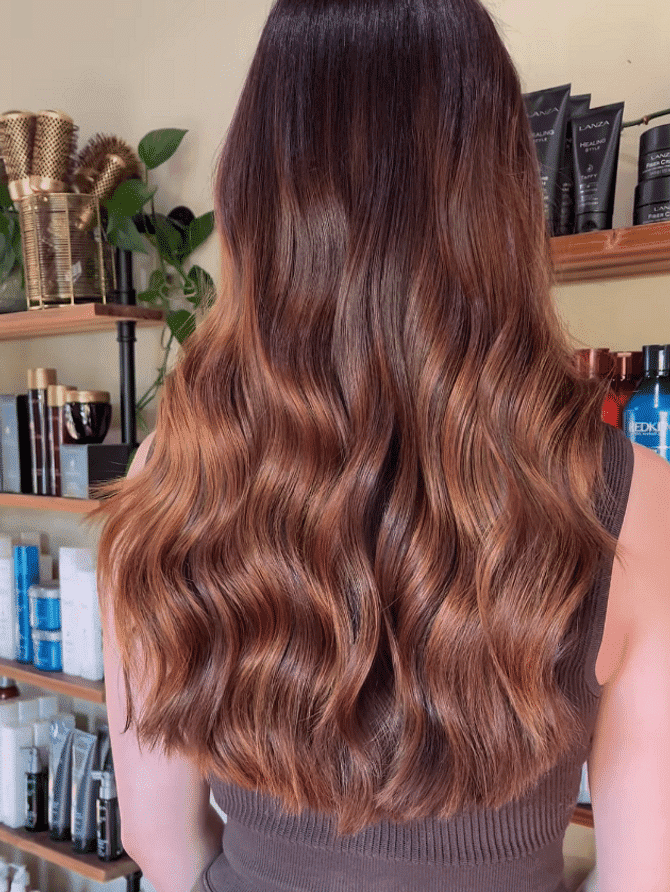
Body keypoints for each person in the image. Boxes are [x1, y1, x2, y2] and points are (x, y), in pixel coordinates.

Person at [94, 1, 670, 890]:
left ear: (256, 192)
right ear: (500, 197)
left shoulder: (169, 479)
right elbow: (645, 874)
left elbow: (159, 843)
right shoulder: (636, 500)